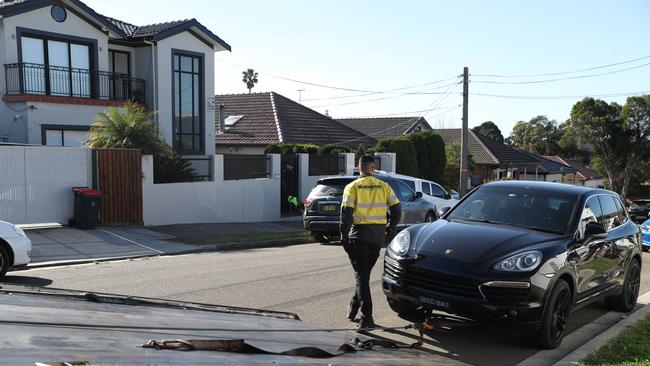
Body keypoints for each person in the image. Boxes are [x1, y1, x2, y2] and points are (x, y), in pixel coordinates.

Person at [340, 154, 401, 329]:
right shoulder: (384, 186)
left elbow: (346, 216)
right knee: (363, 276)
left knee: (361, 277)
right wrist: (390, 229)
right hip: (377, 238)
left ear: (359, 168)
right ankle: (353, 308)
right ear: (373, 168)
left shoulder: (352, 187)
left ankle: (367, 318)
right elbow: (397, 211)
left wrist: (344, 237)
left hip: (359, 237)